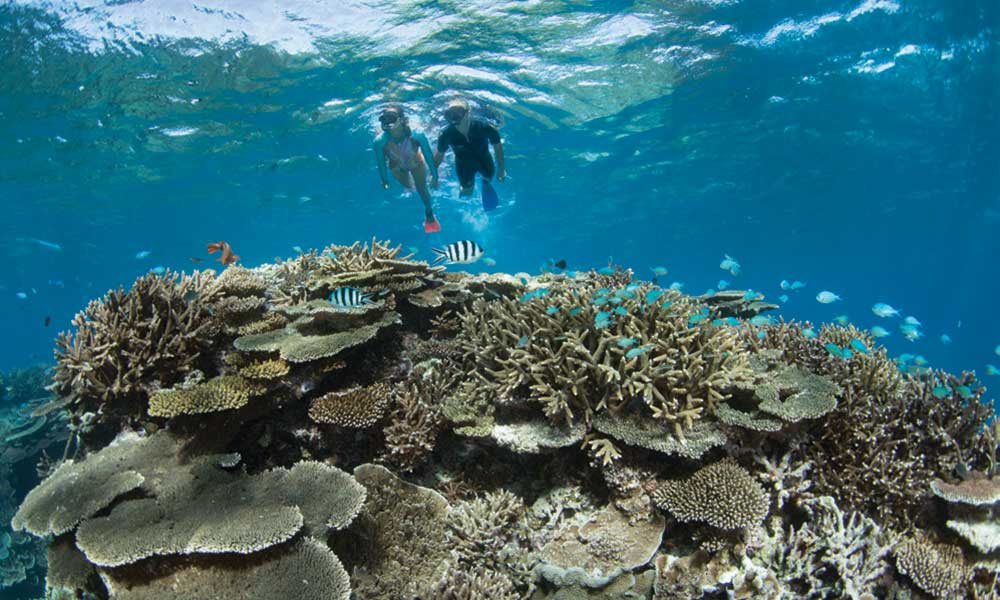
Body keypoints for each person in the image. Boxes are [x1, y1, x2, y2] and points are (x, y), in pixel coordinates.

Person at [373, 105, 441, 232]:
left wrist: (435, 176)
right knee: (410, 186)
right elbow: (380, 162)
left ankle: (429, 213)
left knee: (422, 189)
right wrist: (384, 180)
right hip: (397, 168)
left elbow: (428, 155)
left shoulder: (417, 135)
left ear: (402, 120)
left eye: (391, 119)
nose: (388, 123)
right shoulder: (379, 141)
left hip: (416, 164)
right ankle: (411, 188)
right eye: (384, 120)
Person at [433, 98, 505, 199]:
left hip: (484, 160)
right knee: (467, 193)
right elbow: (439, 156)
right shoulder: (446, 134)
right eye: (450, 113)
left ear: (468, 113)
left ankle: (485, 182)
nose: (454, 116)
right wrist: (434, 176)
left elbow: (498, 148)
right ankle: (462, 190)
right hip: (464, 166)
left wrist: (501, 169)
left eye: (458, 111)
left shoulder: (485, 127)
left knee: (488, 177)